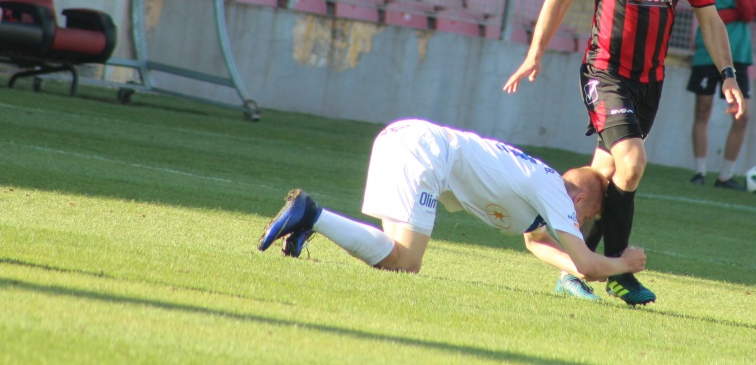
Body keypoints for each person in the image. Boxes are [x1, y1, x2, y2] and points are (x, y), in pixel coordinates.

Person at [503, 0, 744, 306]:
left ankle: (573, 270)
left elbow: (710, 19)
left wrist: (728, 74)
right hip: (605, 73)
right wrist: (535, 53)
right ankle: (619, 271)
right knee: (631, 163)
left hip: (649, 82)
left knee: (604, 177)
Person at [256, 119, 647, 285]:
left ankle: (307, 225)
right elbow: (587, 262)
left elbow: (537, 243)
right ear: (579, 197)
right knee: (406, 262)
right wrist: (624, 265)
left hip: (403, 136)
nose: (580, 224)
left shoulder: (542, 189)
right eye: (587, 215)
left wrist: (582, 271)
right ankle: (311, 215)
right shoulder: (555, 194)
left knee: (392, 259)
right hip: (424, 152)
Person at [688, 0, 756, 189]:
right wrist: (733, 12)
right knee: (702, 110)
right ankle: (699, 171)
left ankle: (726, 175)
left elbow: (748, 14)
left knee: (742, 115)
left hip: (738, 55)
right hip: (708, 52)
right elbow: (709, 17)